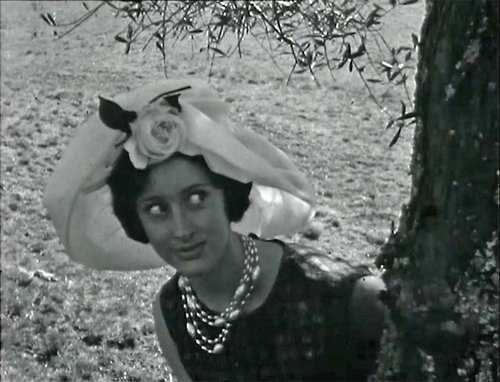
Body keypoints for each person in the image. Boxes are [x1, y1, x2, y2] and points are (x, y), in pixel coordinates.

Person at [43, 79, 387, 381]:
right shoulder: (171, 313)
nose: (181, 229)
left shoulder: (346, 296)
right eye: (156, 209)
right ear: (137, 222)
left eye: (196, 198)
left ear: (228, 196)